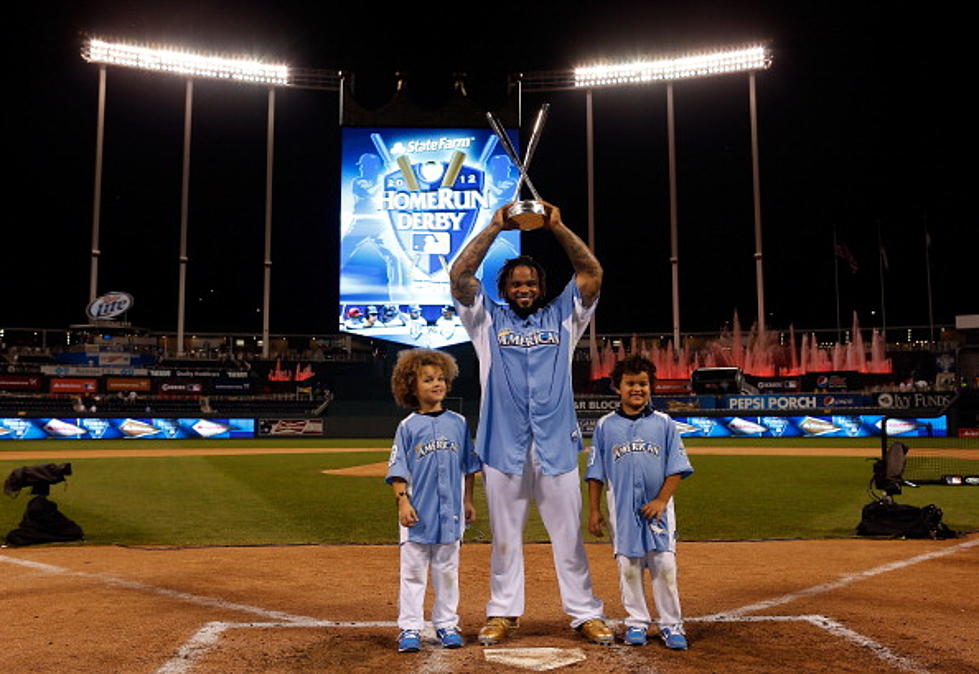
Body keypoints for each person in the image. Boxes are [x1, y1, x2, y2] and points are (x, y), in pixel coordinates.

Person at [449, 200, 613, 645]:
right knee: (504, 539)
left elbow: (592, 274)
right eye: (516, 283)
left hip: (556, 442)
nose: (524, 288)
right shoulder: (485, 319)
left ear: (542, 287)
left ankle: (585, 613)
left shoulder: (563, 316)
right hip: (502, 444)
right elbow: (460, 278)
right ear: (504, 288)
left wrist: (557, 226)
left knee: (570, 539)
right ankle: (503, 613)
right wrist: (493, 226)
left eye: (532, 282)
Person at [585, 355, 694, 649]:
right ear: (617, 388)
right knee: (629, 568)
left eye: (643, 383)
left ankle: (672, 624)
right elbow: (595, 473)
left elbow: (677, 467)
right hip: (621, 512)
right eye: (631, 383)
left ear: (651, 387)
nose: (638, 389)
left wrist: (661, 500)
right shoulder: (605, 426)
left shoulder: (665, 424)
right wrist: (594, 511)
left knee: (665, 566)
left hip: (659, 513)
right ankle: (637, 622)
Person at [385, 348, 481, 653]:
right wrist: (402, 501)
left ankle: (446, 624)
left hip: (451, 513)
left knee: (447, 571)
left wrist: (468, 501)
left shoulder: (459, 422)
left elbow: (468, 467)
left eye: (441, 378)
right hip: (418, 513)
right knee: (413, 573)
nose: (436, 384)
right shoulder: (408, 426)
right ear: (411, 386)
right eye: (428, 380)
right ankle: (410, 628)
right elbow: (398, 470)